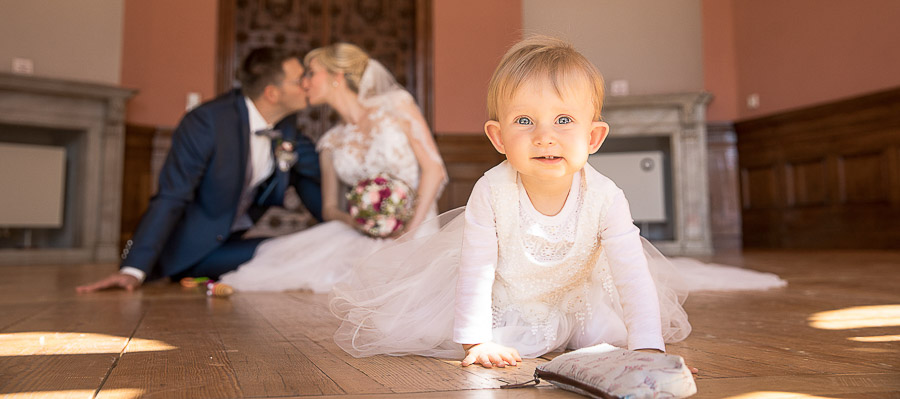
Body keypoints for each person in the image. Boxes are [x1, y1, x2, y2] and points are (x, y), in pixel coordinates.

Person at [328, 36, 785, 368]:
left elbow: (631, 272)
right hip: (508, 298)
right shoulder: (492, 189)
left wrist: (648, 346)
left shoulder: (606, 196)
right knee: (510, 344)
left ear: (593, 136)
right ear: (498, 137)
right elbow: (477, 269)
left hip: (575, 297)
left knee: (607, 341)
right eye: (524, 120)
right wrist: (475, 342)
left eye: (563, 119)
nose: (545, 135)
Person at [76, 47, 322, 293]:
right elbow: (171, 195)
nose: (308, 84)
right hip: (192, 252)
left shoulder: (286, 125)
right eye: (301, 79)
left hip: (232, 242)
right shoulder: (207, 122)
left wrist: (348, 223)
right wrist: (132, 268)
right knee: (289, 251)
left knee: (315, 246)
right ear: (272, 93)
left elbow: (312, 174)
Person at [217, 43, 447, 292]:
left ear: (337, 76)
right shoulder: (331, 142)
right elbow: (329, 209)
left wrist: (407, 233)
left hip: (418, 231)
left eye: (311, 73)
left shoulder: (396, 105)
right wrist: (358, 220)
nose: (305, 83)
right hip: (369, 234)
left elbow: (434, 170)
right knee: (286, 269)